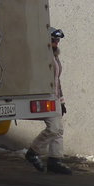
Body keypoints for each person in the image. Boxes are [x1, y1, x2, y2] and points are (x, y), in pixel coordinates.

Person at [25, 28, 72, 175]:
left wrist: (62, 101)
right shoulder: (43, 56)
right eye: (53, 40)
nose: (56, 43)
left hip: (55, 96)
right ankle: (33, 152)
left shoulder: (55, 56)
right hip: (45, 96)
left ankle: (55, 160)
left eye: (58, 41)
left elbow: (57, 80)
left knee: (58, 130)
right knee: (53, 128)